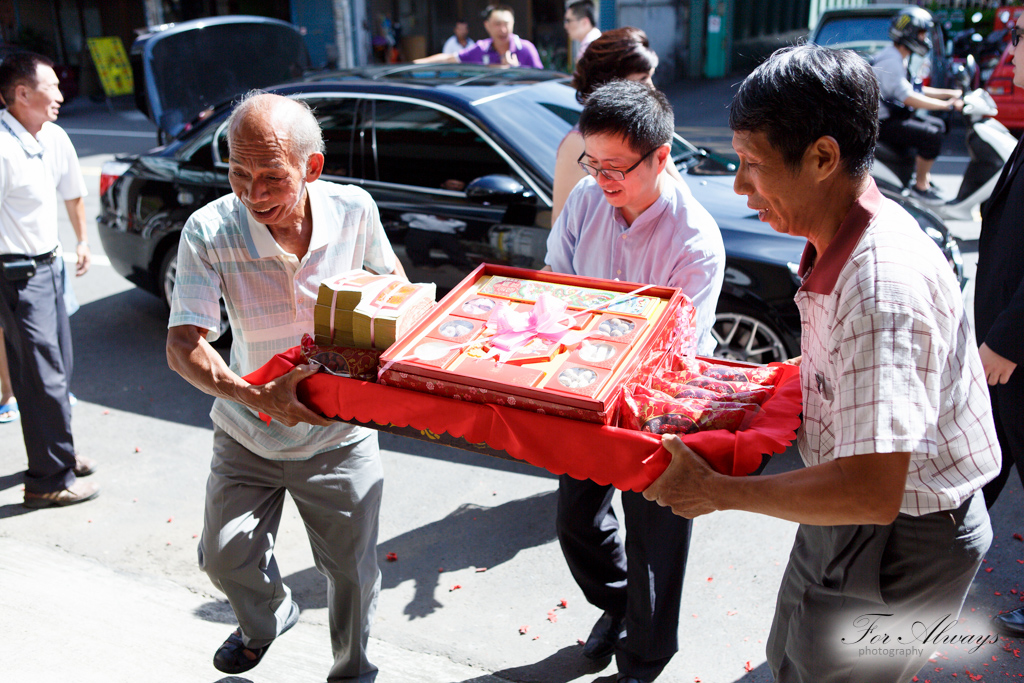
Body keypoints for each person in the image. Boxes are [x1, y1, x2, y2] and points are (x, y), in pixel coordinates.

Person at [643, 44, 1001, 683]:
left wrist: (718, 493)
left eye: (753, 164)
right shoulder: (840, 233)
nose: (739, 186)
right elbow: (845, 373)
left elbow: (870, 488)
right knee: (792, 657)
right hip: (851, 512)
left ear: (823, 157)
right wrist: (755, 386)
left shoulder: (882, 284)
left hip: (901, 535)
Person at [166, 92, 405, 682]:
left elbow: (393, 288)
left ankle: (353, 671)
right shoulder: (210, 230)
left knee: (352, 575)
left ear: (312, 169)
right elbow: (183, 345)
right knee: (223, 559)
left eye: (271, 175)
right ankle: (268, 617)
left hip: (340, 439)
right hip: (247, 435)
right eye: (238, 173)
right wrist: (256, 397)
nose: (253, 193)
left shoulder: (354, 210)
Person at [545, 79, 725, 683]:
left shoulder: (694, 238)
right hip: (583, 390)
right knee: (576, 520)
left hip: (659, 405)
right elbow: (557, 289)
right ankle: (617, 603)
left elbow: (678, 350)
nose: (603, 180)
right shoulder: (585, 203)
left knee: (656, 535)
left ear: (662, 156)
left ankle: (646, 655)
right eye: (593, 164)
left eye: (618, 167)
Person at [0, 51, 97, 507]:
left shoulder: (51, 137)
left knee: (58, 371)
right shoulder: (1, 146)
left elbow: (73, 191)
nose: (60, 95)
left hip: (49, 267)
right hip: (16, 275)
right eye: (51, 87)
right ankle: (47, 481)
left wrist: (80, 241)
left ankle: (59, 452)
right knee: (41, 378)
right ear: (22, 94)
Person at [975, 19, 1024, 639]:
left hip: (1013, 352)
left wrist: (1007, 343)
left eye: (1022, 39)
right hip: (1001, 347)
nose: (1011, 51)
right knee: (985, 464)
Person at [552, 27, 660, 223]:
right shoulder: (578, 143)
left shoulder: (644, 131)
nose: (651, 89)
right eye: (643, 79)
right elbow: (562, 228)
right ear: (612, 85)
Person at [872, 6, 963, 203]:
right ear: (909, 33)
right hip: (882, 124)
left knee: (938, 126)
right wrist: (946, 106)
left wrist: (950, 94)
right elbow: (908, 97)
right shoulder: (891, 60)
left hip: (892, 118)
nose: (925, 39)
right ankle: (920, 186)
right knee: (932, 134)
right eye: (922, 34)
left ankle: (923, 178)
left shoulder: (898, 57)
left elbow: (916, 89)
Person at [414, 5, 542, 68]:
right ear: (487, 26)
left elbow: (542, 82)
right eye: (497, 24)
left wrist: (517, 71)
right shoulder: (481, 48)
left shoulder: (526, 49)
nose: (503, 29)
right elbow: (449, 58)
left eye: (507, 24)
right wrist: (414, 64)